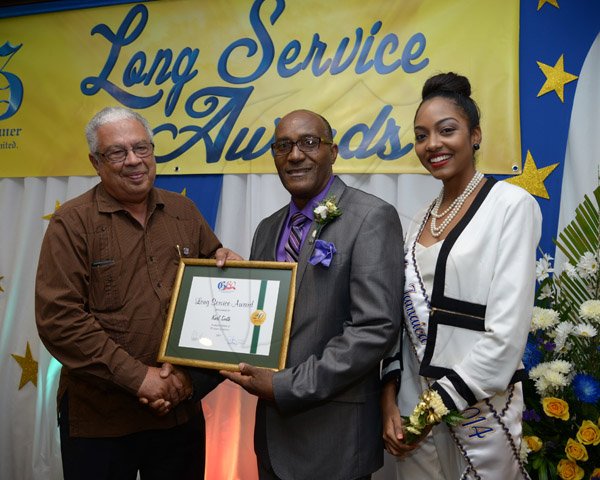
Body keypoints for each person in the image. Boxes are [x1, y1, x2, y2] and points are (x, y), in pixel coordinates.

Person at [35, 106, 240, 479]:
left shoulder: (184, 211)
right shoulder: (72, 223)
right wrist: (140, 378)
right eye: (118, 152)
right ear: (95, 163)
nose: (134, 161)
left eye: (141, 148)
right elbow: (60, 321)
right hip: (101, 424)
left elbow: (213, 296)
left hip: (180, 415)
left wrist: (229, 266)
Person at [221, 109, 404, 480]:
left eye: (309, 142)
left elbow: (375, 329)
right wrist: (227, 288)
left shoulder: (371, 217)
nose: (294, 155)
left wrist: (288, 386)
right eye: (283, 146)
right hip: (272, 439)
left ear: (332, 151)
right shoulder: (267, 229)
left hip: (333, 441)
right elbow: (262, 325)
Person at [380, 72, 542, 479]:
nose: (432, 144)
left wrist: (434, 406)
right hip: (412, 408)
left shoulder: (510, 206)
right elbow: (399, 323)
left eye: (446, 130)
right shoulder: (417, 221)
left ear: (475, 135)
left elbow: (506, 335)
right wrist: (392, 403)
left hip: (478, 407)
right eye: (421, 135)